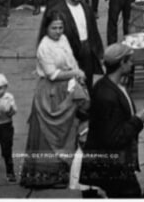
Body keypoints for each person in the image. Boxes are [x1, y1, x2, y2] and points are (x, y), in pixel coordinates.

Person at [20, 10, 84, 189]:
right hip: (50, 93)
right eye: (54, 28)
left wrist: (77, 75)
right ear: (46, 28)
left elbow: (71, 60)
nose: (58, 31)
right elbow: (52, 74)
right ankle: (47, 176)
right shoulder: (44, 47)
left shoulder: (63, 40)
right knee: (49, 135)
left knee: (66, 132)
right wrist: (75, 73)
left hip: (66, 89)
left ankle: (63, 172)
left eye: (61, 27)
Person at [80, 43, 144, 198]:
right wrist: (138, 121)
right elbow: (113, 138)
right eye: (129, 61)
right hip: (114, 167)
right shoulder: (107, 95)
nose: (132, 64)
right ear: (121, 63)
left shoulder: (111, 86)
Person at [52, 0, 104, 86]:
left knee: (87, 87)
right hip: (69, 55)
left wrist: (99, 54)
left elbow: (94, 33)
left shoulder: (87, 9)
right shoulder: (58, 11)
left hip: (87, 54)